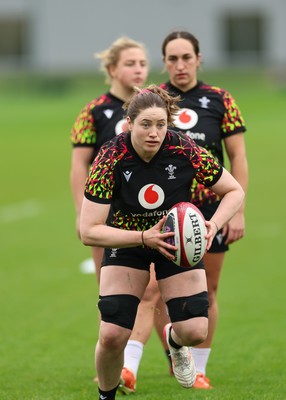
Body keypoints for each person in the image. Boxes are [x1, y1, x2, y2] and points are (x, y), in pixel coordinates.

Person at [79, 84, 245, 400]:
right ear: (129, 123)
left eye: (161, 124)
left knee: (195, 331)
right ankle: (106, 396)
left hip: (173, 241)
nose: (154, 132)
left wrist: (212, 225)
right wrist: (143, 237)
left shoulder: (182, 148)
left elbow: (234, 191)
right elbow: (89, 231)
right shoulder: (111, 156)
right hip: (128, 242)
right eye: (145, 124)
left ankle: (175, 340)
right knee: (112, 333)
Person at [122, 31, 248, 391]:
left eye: (186, 57)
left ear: (198, 58)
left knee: (208, 289)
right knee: (149, 291)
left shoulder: (220, 100)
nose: (180, 65)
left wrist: (237, 212)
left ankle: (198, 368)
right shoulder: (153, 101)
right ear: (164, 61)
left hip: (207, 214)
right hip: (159, 213)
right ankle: (131, 365)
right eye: (172, 58)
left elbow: (237, 157)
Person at [70, 36, 149, 279]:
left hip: (149, 208)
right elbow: (79, 164)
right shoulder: (93, 111)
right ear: (112, 69)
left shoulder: (154, 107)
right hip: (106, 212)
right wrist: (81, 213)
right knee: (110, 293)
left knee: (155, 292)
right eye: (130, 63)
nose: (138, 69)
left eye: (143, 63)